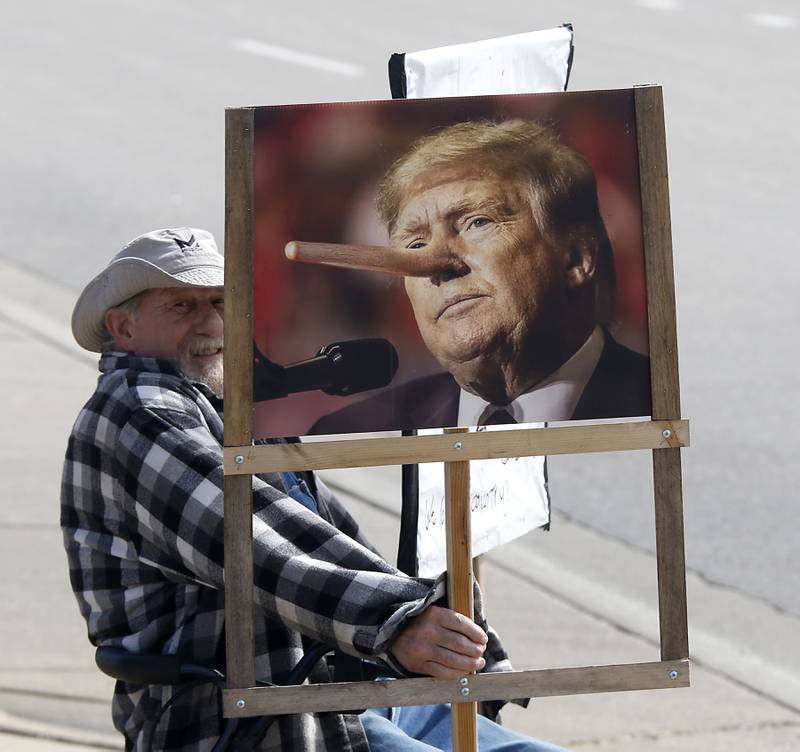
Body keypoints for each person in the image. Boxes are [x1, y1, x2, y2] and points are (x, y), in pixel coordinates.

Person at [61, 227, 568, 751]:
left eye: (220, 301)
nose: (212, 322)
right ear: (123, 328)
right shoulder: (141, 408)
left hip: (337, 687)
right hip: (245, 712)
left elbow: (322, 528)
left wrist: (435, 624)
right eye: (182, 306)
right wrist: (397, 622)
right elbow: (249, 536)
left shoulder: (223, 404)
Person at [310, 119, 650, 435]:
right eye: (416, 244)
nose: (437, 263)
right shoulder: (343, 435)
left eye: (478, 222)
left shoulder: (659, 400)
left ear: (576, 259)